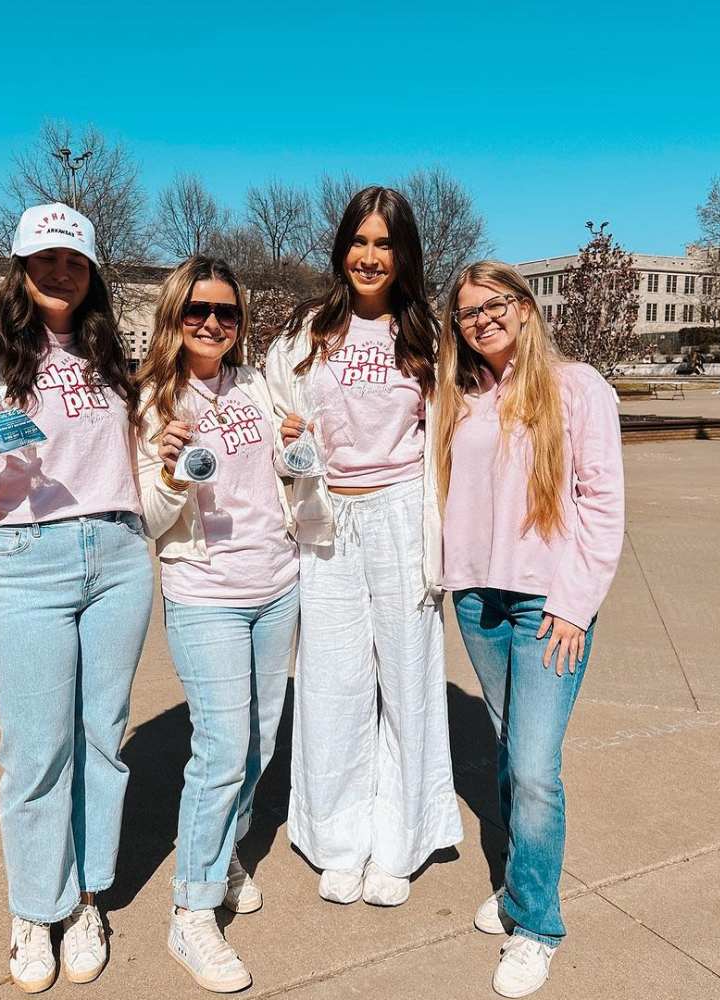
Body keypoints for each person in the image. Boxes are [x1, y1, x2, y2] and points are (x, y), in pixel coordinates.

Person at [0, 203, 153, 994]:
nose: (61, 271)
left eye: (75, 259)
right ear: (21, 265)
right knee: (33, 749)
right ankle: (35, 906)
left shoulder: (109, 357)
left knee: (102, 738)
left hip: (121, 554)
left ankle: (87, 896)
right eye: (46, 257)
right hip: (27, 560)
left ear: (91, 271)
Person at [265, 186, 462, 909]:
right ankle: (338, 839)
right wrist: (288, 441)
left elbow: (452, 436)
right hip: (327, 523)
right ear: (342, 247)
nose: (370, 256)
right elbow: (272, 414)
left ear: (403, 253)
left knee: (407, 683)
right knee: (332, 685)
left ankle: (401, 840)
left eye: (385, 243)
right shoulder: (308, 330)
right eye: (360, 241)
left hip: (403, 517)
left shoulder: (428, 335)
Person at [435, 261, 624, 997]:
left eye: (495, 305)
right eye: (467, 312)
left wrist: (575, 603)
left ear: (523, 306)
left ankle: (538, 925)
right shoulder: (460, 397)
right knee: (511, 749)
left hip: (549, 606)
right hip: (479, 599)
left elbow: (602, 505)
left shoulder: (578, 387)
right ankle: (519, 885)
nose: (482, 319)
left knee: (535, 768)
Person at [135, 256, 300, 993]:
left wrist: (296, 444)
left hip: (277, 586)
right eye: (198, 310)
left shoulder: (255, 388)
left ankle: (225, 851)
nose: (212, 323)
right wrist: (169, 471)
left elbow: (285, 475)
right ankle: (190, 910)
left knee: (258, 744)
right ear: (175, 315)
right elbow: (148, 518)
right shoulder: (149, 402)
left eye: (226, 313)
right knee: (222, 750)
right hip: (206, 593)